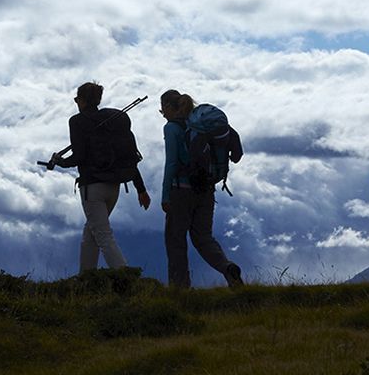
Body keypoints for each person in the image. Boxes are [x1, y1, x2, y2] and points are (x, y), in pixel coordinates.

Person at [53, 82, 151, 271]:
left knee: (103, 235)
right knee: (91, 234)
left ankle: (126, 278)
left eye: (76, 99)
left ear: (81, 100)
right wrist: (141, 189)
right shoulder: (114, 120)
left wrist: (59, 161)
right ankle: (86, 278)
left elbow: (78, 157)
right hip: (114, 187)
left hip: (92, 188)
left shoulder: (77, 122)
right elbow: (128, 156)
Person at [159, 89, 243, 288]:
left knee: (175, 240)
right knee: (203, 237)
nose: (163, 114)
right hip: (206, 189)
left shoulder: (172, 128)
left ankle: (180, 289)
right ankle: (227, 268)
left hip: (181, 191)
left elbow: (171, 162)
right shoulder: (199, 124)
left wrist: (165, 195)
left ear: (170, 107)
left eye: (162, 110)